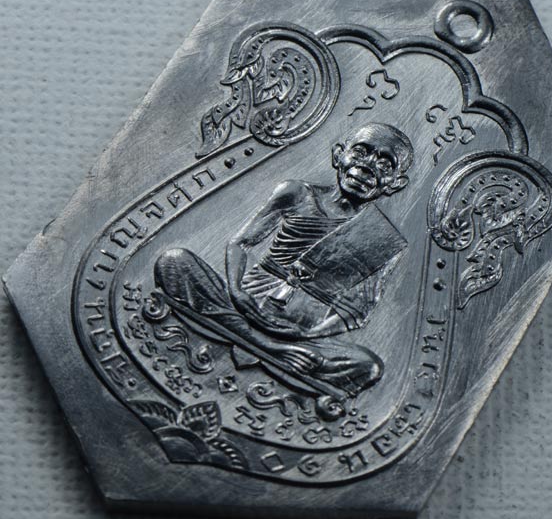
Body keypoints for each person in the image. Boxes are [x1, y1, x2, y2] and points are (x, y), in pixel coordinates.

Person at [155, 122, 414, 398]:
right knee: (174, 262)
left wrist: (306, 335)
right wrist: (236, 290)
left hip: (301, 331)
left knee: (368, 367)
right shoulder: (297, 193)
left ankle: (260, 341)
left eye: (385, 165)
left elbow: (357, 310)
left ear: (396, 183)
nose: (367, 167)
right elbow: (241, 243)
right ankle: (273, 349)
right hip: (244, 302)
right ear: (339, 154)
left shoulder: (382, 238)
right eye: (361, 152)